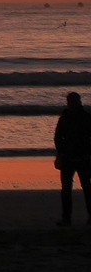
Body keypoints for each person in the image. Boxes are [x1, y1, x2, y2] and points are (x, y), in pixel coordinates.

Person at [56, 93, 91, 227]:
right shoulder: (65, 118)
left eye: (74, 101)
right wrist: (61, 153)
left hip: (83, 158)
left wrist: (89, 153)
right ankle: (66, 218)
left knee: (87, 188)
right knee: (66, 189)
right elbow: (58, 138)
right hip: (68, 158)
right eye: (71, 102)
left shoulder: (86, 118)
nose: (72, 104)